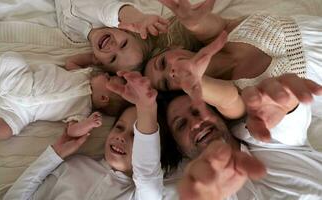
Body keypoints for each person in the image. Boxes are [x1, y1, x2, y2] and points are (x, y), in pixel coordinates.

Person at [4, 71, 170, 199]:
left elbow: (146, 171)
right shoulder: (74, 165)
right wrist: (55, 155)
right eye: (119, 127)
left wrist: (146, 108)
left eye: (136, 136)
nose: (121, 137)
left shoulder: (142, 195)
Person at [144, 0, 322, 118]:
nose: (170, 72)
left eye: (163, 63)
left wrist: (190, 19)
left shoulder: (223, 32)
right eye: (166, 83)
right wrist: (196, 83)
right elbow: (228, 100)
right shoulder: (232, 96)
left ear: (174, 48)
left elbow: (199, 24)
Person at [161, 74, 322, 200]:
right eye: (181, 125)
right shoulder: (200, 193)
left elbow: (287, 115)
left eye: (197, 112)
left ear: (217, 115)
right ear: (178, 148)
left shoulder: (265, 133)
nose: (196, 123)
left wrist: (286, 101)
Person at [0, 51, 129, 141]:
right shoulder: (84, 75)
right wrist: (91, 58)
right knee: (11, 58)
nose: (104, 74)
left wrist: (88, 125)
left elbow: (72, 131)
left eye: (107, 78)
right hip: (22, 81)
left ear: (103, 98)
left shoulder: (83, 111)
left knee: (2, 132)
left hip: (19, 112)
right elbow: (71, 62)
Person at [59, 0, 170, 73]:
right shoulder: (105, 16)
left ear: (98, 61)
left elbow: (71, 62)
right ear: (125, 30)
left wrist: (93, 59)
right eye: (124, 44)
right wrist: (139, 19)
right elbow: (114, 11)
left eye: (113, 59)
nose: (113, 47)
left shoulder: (73, 35)